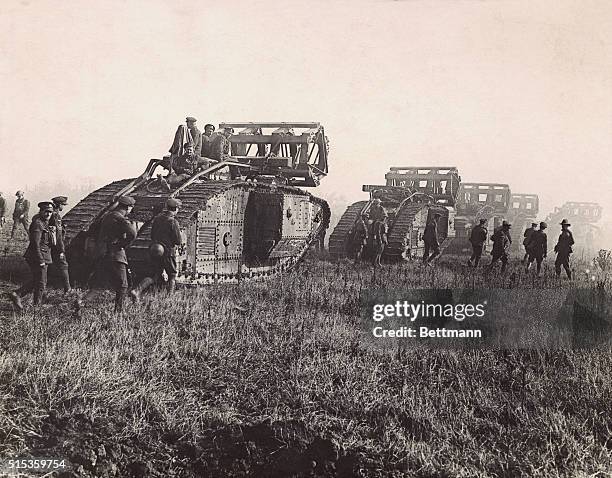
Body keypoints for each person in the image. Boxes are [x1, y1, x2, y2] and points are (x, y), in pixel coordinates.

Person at [79, 196, 137, 313]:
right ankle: (118, 312)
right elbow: (133, 233)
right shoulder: (120, 218)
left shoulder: (107, 216)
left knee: (100, 284)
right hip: (115, 254)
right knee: (123, 285)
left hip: (102, 254)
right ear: (128, 207)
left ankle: (82, 302)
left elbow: (93, 231)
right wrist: (122, 244)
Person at [130, 198, 183, 300]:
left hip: (156, 250)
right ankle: (169, 298)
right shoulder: (173, 222)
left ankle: (137, 290)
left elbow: (153, 235)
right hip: (168, 252)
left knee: (154, 275)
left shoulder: (157, 219)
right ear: (175, 209)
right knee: (172, 275)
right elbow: (178, 241)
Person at [8, 202, 55, 311]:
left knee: (37, 280)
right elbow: (35, 243)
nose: (48, 214)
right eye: (46, 211)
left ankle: (17, 294)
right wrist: (41, 260)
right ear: (41, 211)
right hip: (37, 256)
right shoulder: (38, 223)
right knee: (41, 282)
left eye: (50, 212)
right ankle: (36, 307)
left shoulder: (45, 223)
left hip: (43, 255)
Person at [49, 196, 72, 292]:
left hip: (50, 245)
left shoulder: (51, 214)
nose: (63, 207)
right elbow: (58, 235)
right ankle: (68, 289)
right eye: (63, 205)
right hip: (56, 246)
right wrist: (61, 250)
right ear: (59, 205)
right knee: (63, 265)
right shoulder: (56, 215)